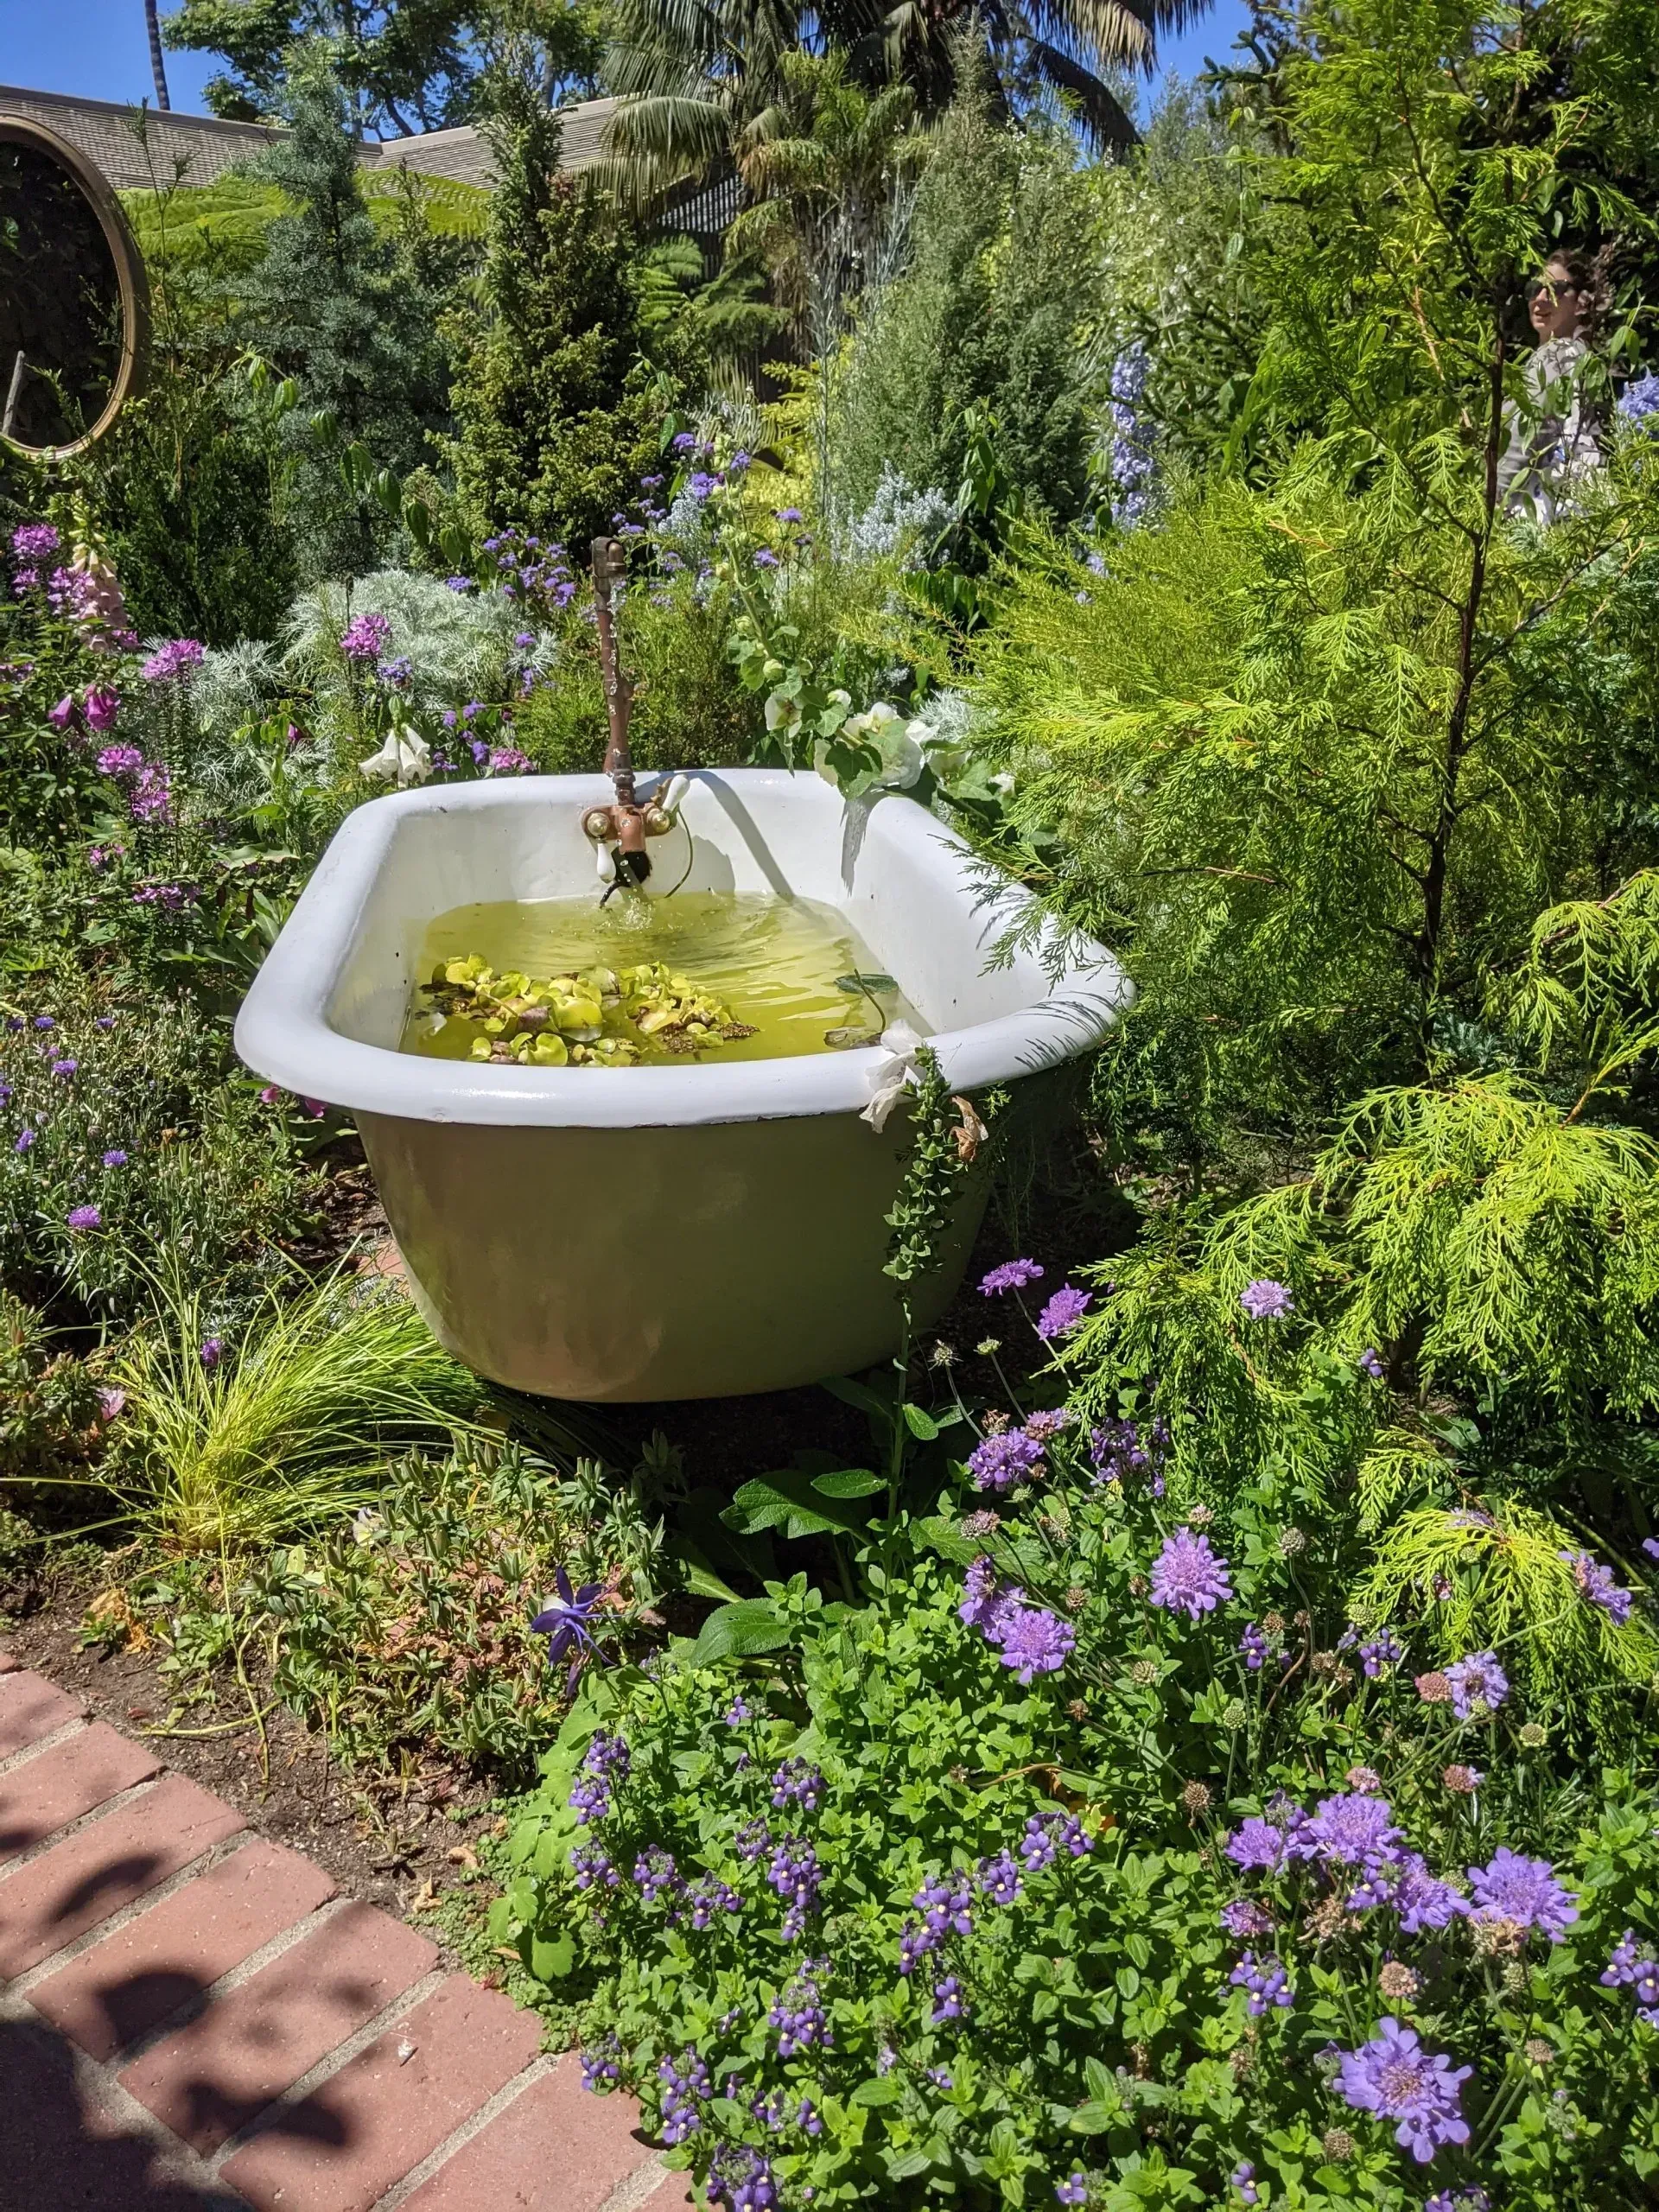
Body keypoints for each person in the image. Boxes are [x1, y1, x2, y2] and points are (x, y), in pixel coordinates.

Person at [1496, 251, 1605, 520]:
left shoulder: (1557, 354)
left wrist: (1494, 498)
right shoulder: (1579, 356)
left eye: (1555, 288)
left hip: (1537, 513)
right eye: (1535, 289)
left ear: (1580, 301)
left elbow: (1530, 433)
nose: (1542, 298)